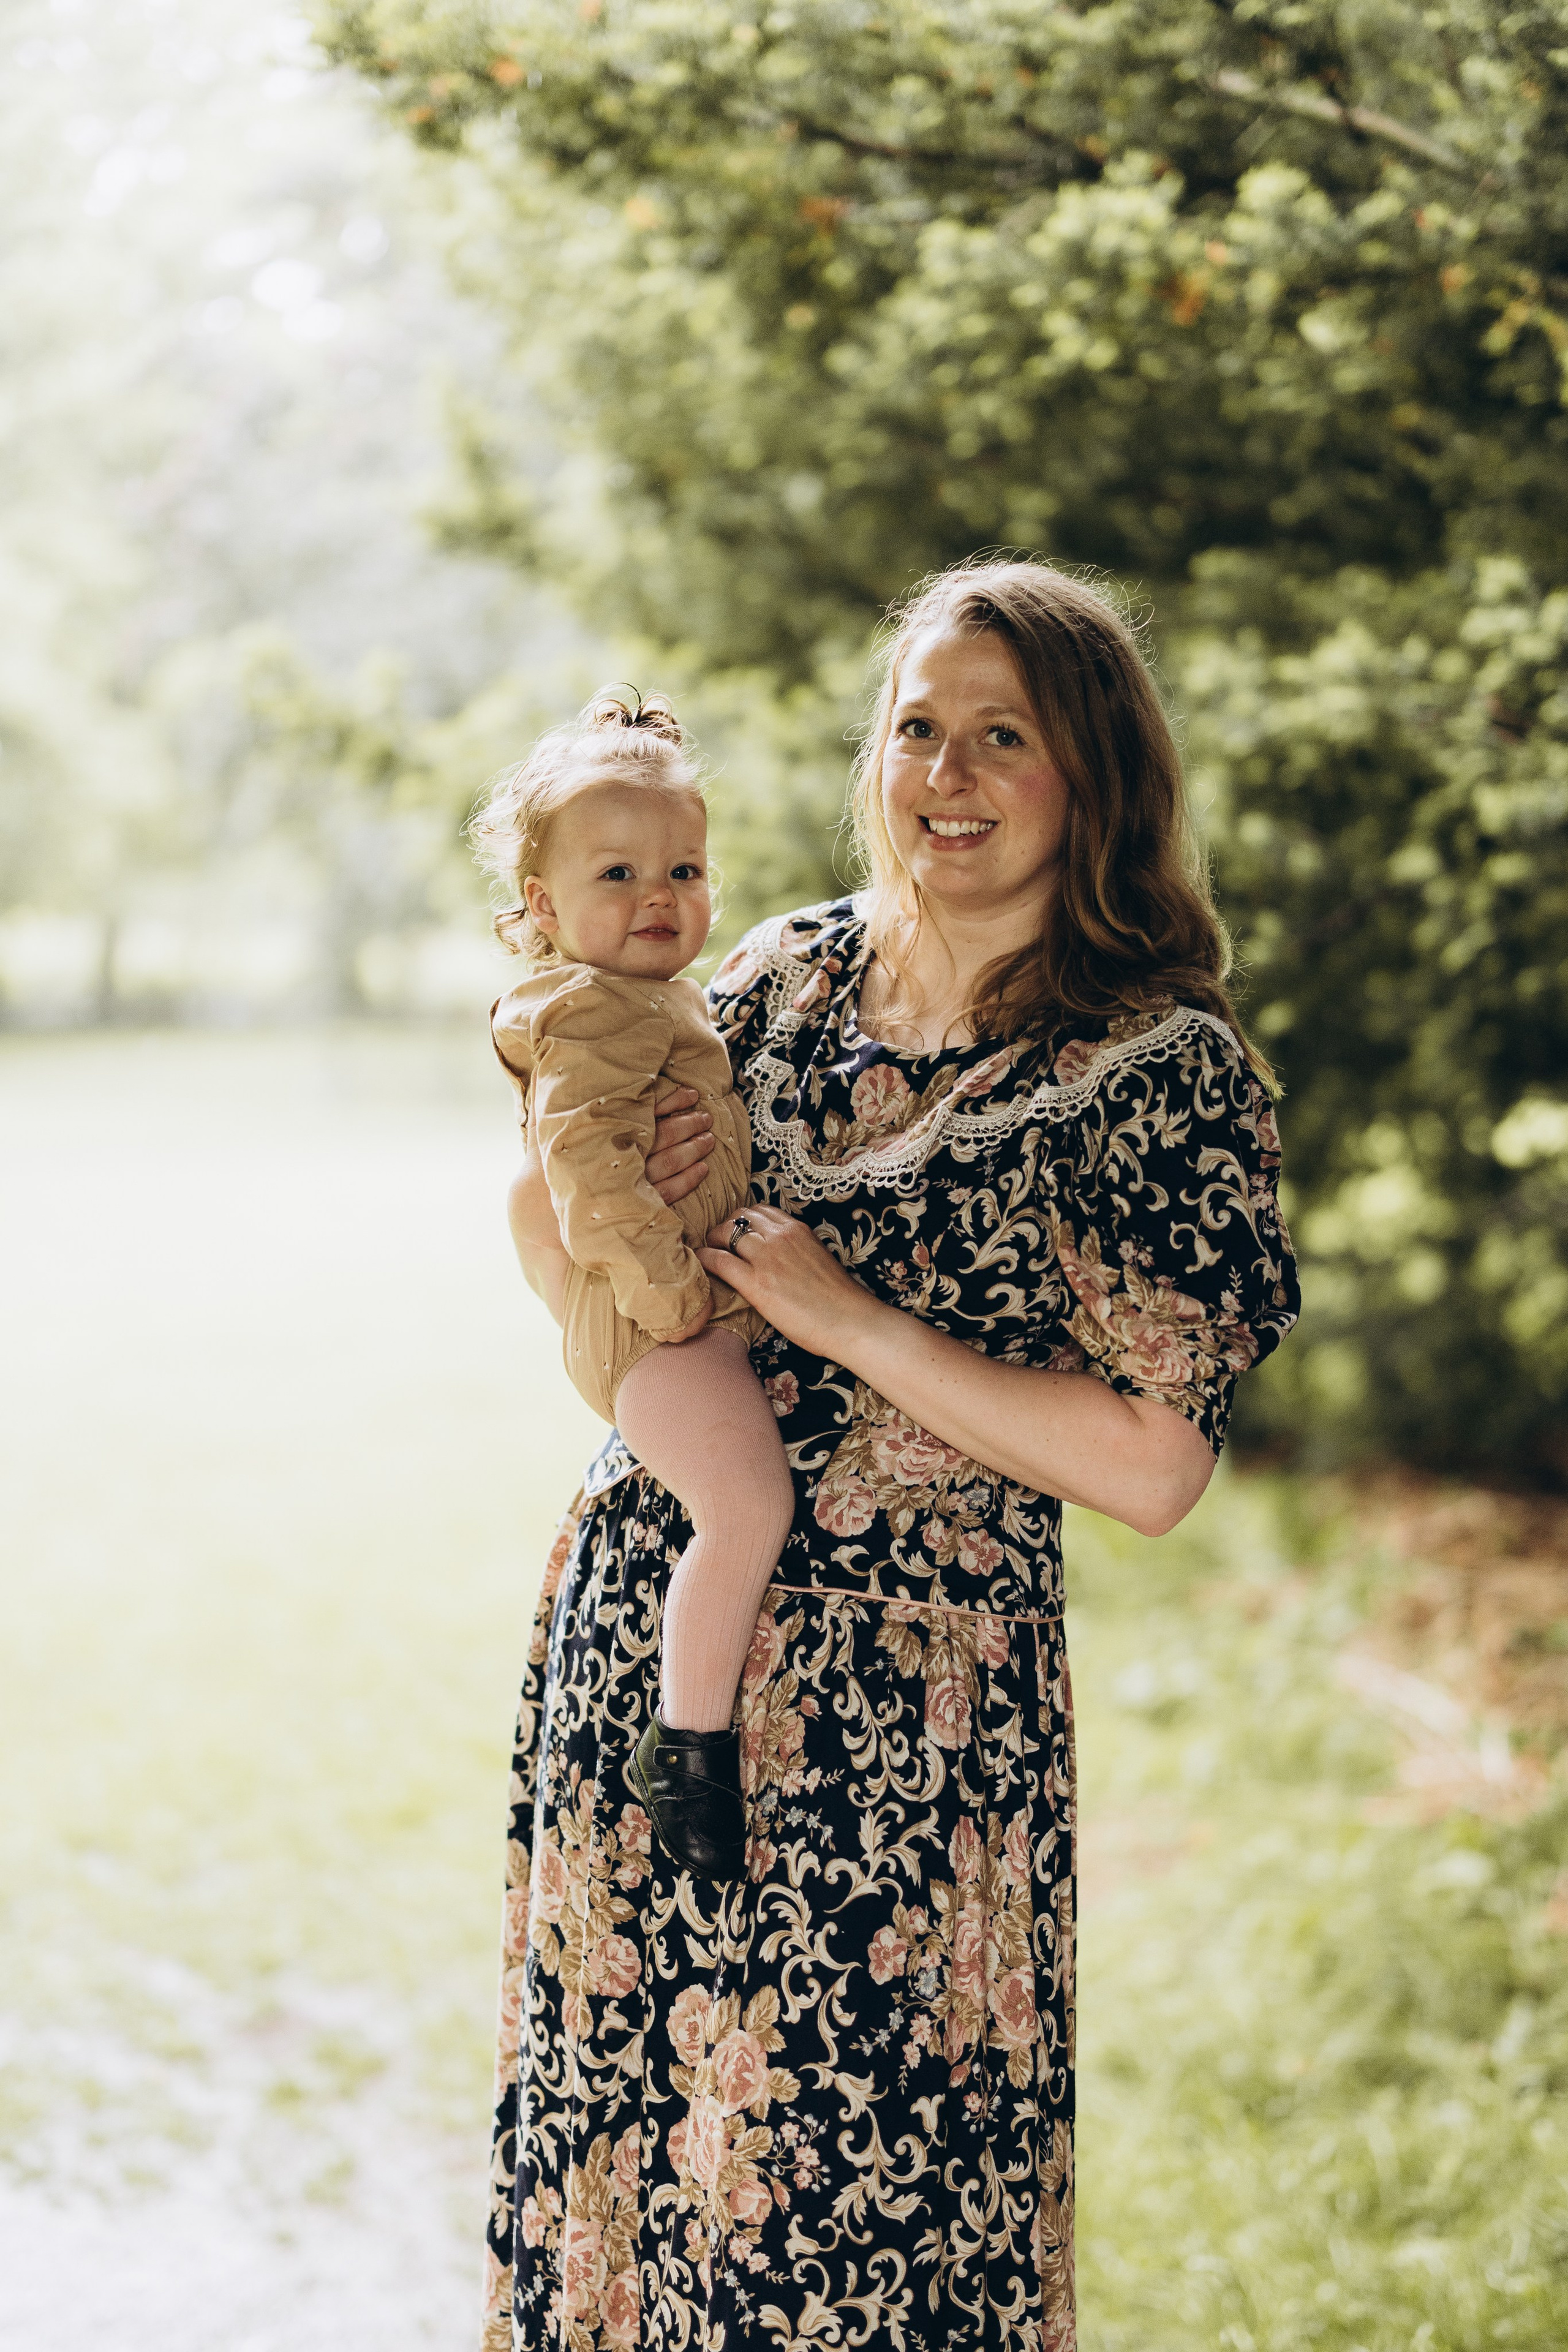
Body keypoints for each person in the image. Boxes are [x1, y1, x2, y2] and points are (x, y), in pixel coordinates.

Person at [481, 561, 1300, 2352]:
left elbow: (1158, 1468)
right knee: (624, 2180)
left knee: (841, 2240)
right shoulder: (762, 978)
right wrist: (571, 1256)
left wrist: (858, 1325)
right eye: (919, 727)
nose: (947, 771)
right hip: (658, 1652)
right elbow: (600, 1249)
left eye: (1001, 736)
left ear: (1091, 775)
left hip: (908, 1730)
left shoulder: (1156, 1072)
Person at [478, 692, 795, 1881]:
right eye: (619, 873)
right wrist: (679, 1303)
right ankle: (691, 1745)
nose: (660, 896)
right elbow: (587, 1176)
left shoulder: (651, 997)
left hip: (669, 1307)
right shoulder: (590, 1010)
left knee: (743, 1497)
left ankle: (692, 1728)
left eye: (683, 867)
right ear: (546, 910)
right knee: (745, 1507)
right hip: (656, 1326)